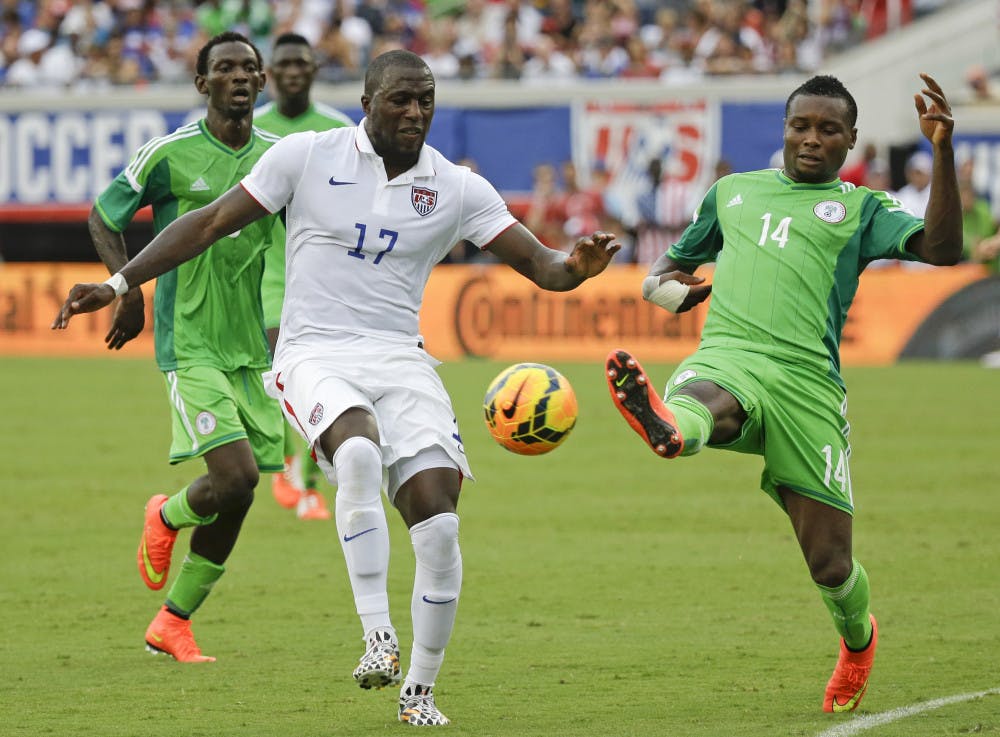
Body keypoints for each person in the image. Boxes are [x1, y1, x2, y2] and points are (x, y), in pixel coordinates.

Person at [53, 49, 620, 726]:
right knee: (355, 453)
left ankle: (419, 692)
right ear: (367, 103)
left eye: (426, 101)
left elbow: (542, 266)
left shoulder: (457, 186)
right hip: (313, 352)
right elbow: (204, 224)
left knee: (439, 524)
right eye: (400, 101)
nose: (415, 113)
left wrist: (575, 267)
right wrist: (120, 283)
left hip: (403, 361)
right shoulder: (307, 157)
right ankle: (376, 635)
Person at [604, 73, 961, 713]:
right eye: (801, 126)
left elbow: (943, 248)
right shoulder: (732, 193)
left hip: (808, 389)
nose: (812, 139)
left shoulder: (863, 210)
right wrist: (673, 293)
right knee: (706, 402)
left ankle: (858, 641)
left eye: (829, 130)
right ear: (784, 129)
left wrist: (940, 151)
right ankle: (669, 428)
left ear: (851, 140)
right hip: (730, 356)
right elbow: (662, 272)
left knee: (830, 566)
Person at [63, 32, 283, 663]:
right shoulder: (169, 153)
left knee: (241, 492)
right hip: (189, 342)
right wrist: (129, 293)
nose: (239, 77)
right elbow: (105, 216)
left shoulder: (280, 158)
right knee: (234, 474)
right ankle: (164, 518)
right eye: (224, 69)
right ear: (202, 84)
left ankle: (173, 621)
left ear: (260, 81)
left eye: (248, 68)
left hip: (251, 347)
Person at [254, 31, 354, 521]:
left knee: (322, 383)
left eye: (302, 63)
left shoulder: (337, 131)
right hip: (270, 280)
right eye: (284, 63)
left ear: (315, 70)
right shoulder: (251, 131)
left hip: (326, 283)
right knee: (287, 376)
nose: (293, 71)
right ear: (270, 74)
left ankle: (305, 477)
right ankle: (300, 474)